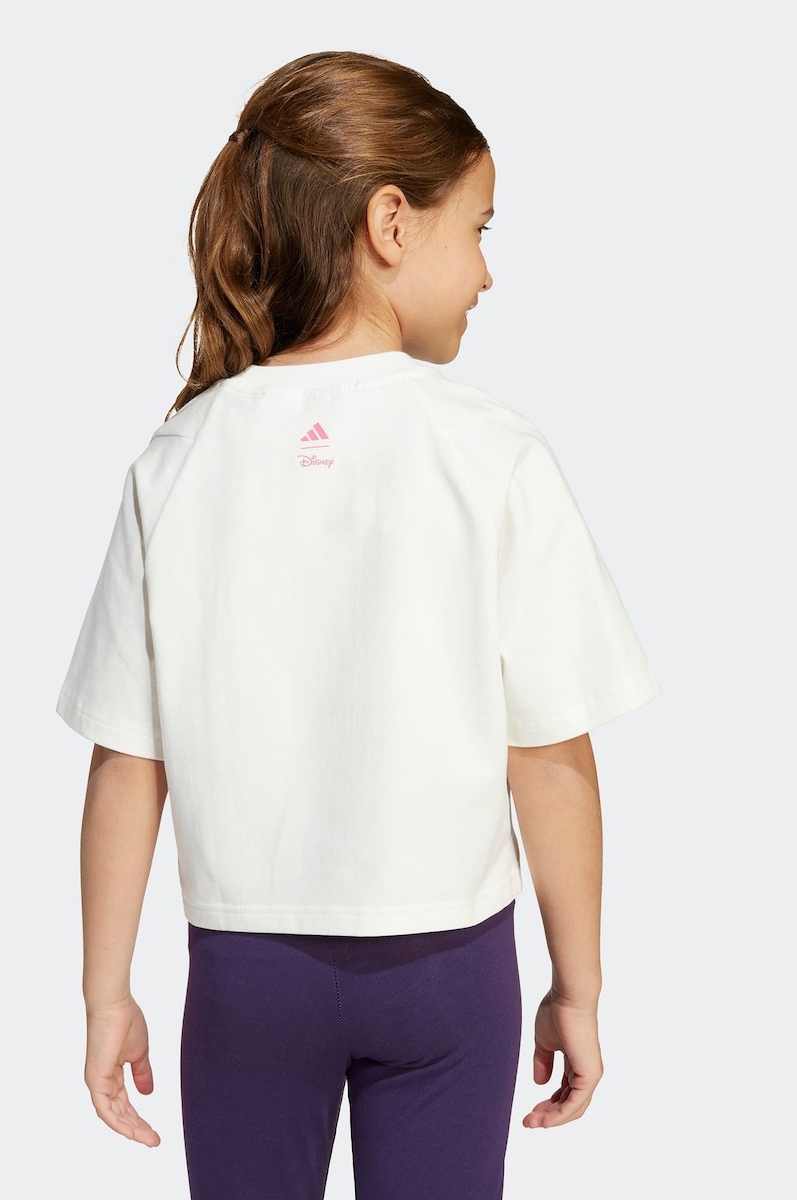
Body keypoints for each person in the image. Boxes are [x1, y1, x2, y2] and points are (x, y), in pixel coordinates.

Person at [56, 50, 662, 1200]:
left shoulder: (177, 459)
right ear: (392, 223)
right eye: (478, 228)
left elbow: (127, 761)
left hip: (245, 977)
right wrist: (578, 988)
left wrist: (105, 995)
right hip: (449, 973)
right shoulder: (494, 454)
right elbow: (549, 755)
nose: (487, 271)